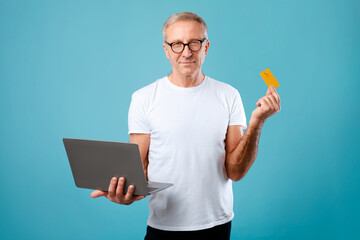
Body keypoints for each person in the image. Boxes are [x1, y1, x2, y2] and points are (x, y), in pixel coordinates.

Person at [91, 12, 281, 240]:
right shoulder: (143, 98)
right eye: (177, 44)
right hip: (163, 227)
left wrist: (257, 122)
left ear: (206, 47)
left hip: (217, 226)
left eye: (194, 43)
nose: (186, 52)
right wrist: (125, 193)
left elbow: (235, 171)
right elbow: (139, 173)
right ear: (166, 50)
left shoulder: (229, 95)